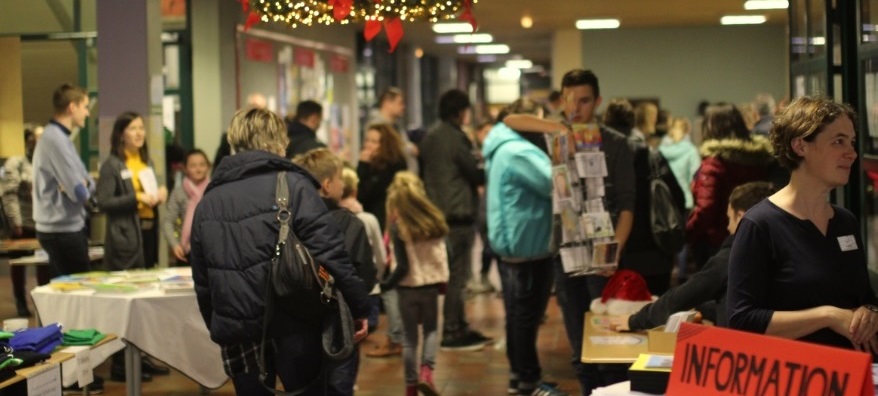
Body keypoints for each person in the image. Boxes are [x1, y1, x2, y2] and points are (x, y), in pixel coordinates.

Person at [190, 107, 370, 395]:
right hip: (294, 321)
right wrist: (360, 306)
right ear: (278, 142)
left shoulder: (209, 200)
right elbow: (330, 254)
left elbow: (202, 279)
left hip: (239, 333)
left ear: (235, 143)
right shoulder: (294, 186)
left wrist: (218, 323)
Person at [504, 69, 635, 395]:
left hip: (603, 253)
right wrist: (557, 127)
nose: (577, 107)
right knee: (579, 345)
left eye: (585, 100)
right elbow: (509, 121)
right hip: (564, 253)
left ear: (598, 101)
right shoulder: (553, 137)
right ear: (561, 99)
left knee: (608, 345)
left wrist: (614, 252)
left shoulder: (615, 143)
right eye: (570, 99)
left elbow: (628, 204)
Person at [728, 96, 878, 354]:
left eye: (852, 142)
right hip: (794, 378)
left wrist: (871, 312)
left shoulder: (845, 222)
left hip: (854, 376)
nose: (852, 153)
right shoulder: (760, 225)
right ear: (800, 146)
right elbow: (742, 320)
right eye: (838, 141)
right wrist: (826, 316)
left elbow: (863, 297)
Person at [609, 181, 775, 332]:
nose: (727, 227)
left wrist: (634, 320)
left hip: (736, 352)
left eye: (729, 219)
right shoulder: (783, 249)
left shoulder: (733, 256)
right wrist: (702, 306)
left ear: (741, 217)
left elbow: (681, 297)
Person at [484, 99, 567, 396]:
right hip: (526, 245)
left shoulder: (502, 148)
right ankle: (528, 381)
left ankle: (521, 379)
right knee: (524, 317)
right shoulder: (518, 151)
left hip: (517, 242)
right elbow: (555, 183)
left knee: (518, 316)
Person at [293, 148, 376, 396]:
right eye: (340, 178)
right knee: (339, 385)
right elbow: (365, 275)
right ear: (328, 185)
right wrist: (362, 308)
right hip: (341, 320)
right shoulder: (350, 223)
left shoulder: (289, 221)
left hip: (298, 321)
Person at [420, 88, 491, 351]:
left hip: (438, 214)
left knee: (449, 274)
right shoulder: (456, 137)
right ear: (460, 111)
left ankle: (457, 325)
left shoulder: (430, 136)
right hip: (458, 214)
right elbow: (474, 172)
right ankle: (453, 330)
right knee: (457, 276)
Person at [381, 171, 450, 396]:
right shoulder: (434, 220)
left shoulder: (398, 226)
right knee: (431, 331)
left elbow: (402, 267)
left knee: (410, 339)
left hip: (406, 289)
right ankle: (427, 373)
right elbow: (442, 254)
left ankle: (411, 388)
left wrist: (386, 284)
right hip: (430, 286)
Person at [687, 103, 774, 270]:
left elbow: (706, 208)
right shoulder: (759, 159)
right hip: (754, 236)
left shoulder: (714, 164)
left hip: (716, 243)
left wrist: (688, 234)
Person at [32, 83, 96, 279]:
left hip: (63, 228)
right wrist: (83, 185)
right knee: (78, 296)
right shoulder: (55, 140)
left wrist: (84, 184)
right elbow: (80, 192)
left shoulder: (60, 138)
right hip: (62, 231)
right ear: (72, 107)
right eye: (84, 107)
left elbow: (88, 182)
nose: (87, 113)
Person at [358, 123, 408, 358]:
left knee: (389, 284)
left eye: (374, 141)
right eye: (367, 140)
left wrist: (363, 165)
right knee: (387, 283)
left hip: (389, 228)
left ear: (385, 144)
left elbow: (364, 193)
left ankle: (395, 339)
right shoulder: (381, 166)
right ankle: (395, 336)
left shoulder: (392, 167)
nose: (369, 145)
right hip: (379, 228)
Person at [96, 112, 168, 270]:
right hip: (126, 236)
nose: (139, 133)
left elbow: (149, 194)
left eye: (141, 128)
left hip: (149, 231)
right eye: (133, 128)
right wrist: (136, 198)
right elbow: (103, 202)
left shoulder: (147, 162)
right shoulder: (112, 165)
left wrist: (159, 194)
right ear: (121, 135)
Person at [2, 124, 50, 317]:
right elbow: (9, 194)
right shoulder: (16, 162)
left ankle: (43, 303)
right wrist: (16, 221)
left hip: (42, 222)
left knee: (44, 265)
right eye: (34, 139)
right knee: (18, 266)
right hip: (22, 224)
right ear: (27, 141)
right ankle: (21, 302)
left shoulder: (45, 160)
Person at [339, 167, 387, 334]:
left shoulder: (328, 218)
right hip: (369, 289)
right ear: (355, 191)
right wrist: (378, 279)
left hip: (341, 290)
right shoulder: (368, 219)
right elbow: (381, 256)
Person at [161, 149, 211, 265]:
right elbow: (168, 221)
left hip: (210, 250)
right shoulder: (179, 192)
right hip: (185, 252)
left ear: (208, 167)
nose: (198, 169)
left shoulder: (214, 190)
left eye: (202, 165)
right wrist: (174, 244)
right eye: (193, 165)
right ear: (185, 168)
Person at [369, 87, 418, 174]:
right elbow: (389, 150)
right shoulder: (376, 127)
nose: (403, 107)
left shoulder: (396, 126)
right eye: (400, 103)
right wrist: (410, 148)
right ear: (387, 103)